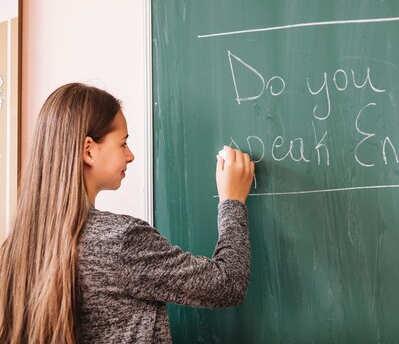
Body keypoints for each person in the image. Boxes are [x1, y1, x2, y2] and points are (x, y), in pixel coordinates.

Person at [0, 83, 255, 344]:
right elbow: (227, 284)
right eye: (123, 143)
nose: (130, 155)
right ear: (88, 150)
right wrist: (232, 201)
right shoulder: (121, 241)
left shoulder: (15, 251)